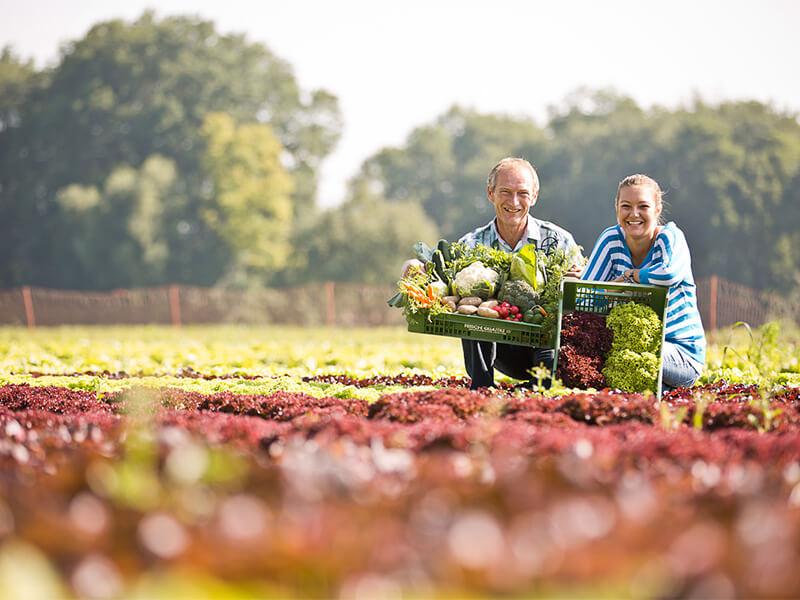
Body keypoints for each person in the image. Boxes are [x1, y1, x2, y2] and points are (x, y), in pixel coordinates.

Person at [402, 157, 582, 389]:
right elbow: (445, 285)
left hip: (546, 347)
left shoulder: (559, 241)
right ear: (491, 193)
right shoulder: (471, 244)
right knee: (470, 311)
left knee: (552, 336)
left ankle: (541, 386)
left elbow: (580, 300)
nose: (514, 201)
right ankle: (482, 386)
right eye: (505, 191)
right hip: (500, 349)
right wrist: (415, 270)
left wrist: (577, 281)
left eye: (523, 193)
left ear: (534, 196)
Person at [582, 174, 705, 389]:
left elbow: (667, 275)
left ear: (657, 209)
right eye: (626, 206)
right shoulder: (611, 240)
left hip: (680, 354)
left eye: (643, 206)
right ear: (617, 208)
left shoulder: (670, 238)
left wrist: (632, 275)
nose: (634, 214)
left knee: (629, 358)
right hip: (629, 350)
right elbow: (586, 294)